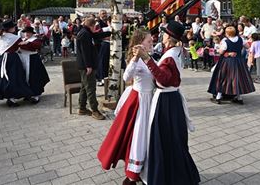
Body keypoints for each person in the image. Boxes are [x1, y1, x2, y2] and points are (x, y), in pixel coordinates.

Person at [134, 21, 200, 185]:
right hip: (172, 100)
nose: (161, 35)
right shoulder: (175, 51)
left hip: (166, 101)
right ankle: (178, 174)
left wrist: (147, 59)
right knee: (174, 139)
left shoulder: (170, 55)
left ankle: (164, 177)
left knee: (161, 139)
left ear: (169, 38)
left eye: (164, 33)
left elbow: (163, 79)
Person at [97, 30, 155, 185]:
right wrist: (136, 57)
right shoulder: (136, 60)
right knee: (138, 135)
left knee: (148, 136)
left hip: (150, 100)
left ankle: (145, 170)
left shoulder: (150, 57)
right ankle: (132, 174)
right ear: (140, 43)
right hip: (139, 101)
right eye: (149, 41)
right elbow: (126, 77)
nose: (152, 43)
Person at [0, 20, 34, 107]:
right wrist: (28, 42)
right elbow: (23, 46)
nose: (14, 28)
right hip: (12, 59)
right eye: (13, 27)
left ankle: (10, 97)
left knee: (2, 77)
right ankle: (12, 98)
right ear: (10, 28)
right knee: (15, 77)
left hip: (2, 59)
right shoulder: (14, 37)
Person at [208, 26, 255, 104]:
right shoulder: (241, 39)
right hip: (239, 62)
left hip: (228, 62)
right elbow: (248, 47)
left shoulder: (226, 41)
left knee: (223, 78)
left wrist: (226, 52)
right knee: (238, 79)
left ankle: (218, 97)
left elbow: (221, 52)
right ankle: (239, 98)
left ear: (227, 33)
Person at [75, 17, 109, 120]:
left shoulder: (86, 31)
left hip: (86, 65)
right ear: (92, 26)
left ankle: (82, 108)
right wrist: (88, 66)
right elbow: (85, 52)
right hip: (86, 66)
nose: (96, 29)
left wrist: (110, 32)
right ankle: (95, 110)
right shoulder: (84, 34)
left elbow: (96, 35)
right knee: (90, 88)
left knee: (85, 87)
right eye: (95, 27)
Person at [18, 26, 50, 104]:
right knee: (24, 77)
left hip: (32, 60)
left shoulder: (35, 40)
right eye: (25, 32)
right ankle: (27, 93)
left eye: (28, 32)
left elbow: (34, 46)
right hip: (23, 59)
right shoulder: (22, 40)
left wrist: (25, 44)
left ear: (32, 33)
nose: (26, 34)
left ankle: (36, 95)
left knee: (34, 77)